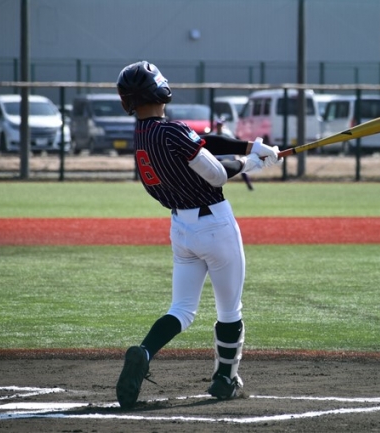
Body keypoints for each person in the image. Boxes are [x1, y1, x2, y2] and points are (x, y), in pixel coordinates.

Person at [114, 61, 280, 409]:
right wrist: (251, 164)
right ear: (160, 90)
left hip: (181, 229)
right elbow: (216, 174)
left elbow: (202, 143)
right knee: (229, 310)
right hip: (215, 224)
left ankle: (144, 351)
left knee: (182, 309)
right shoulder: (172, 131)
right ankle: (224, 379)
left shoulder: (144, 134)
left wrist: (250, 147)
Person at [214, 119, 254, 191]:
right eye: (218, 125)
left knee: (241, 165)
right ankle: (214, 186)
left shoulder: (227, 133)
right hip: (220, 154)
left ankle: (248, 184)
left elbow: (234, 143)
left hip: (229, 153)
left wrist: (236, 154)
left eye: (220, 125)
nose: (219, 126)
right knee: (214, 167)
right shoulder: (213, 134)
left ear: (222, 125)